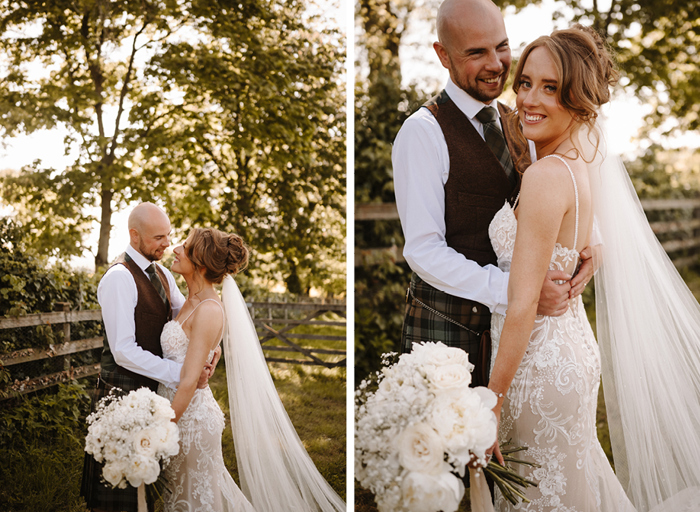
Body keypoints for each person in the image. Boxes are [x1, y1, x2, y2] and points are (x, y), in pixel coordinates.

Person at [486, 25, 700, 511]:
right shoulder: (578, 162)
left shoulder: (544, 177)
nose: (529, 99)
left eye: (551, 88)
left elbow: (522, 305)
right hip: (569, 352)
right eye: (525, 83)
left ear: (579, 102)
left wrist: (490, 401)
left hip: (537, 366)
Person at [391, 0, 594, 387]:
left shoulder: (522, 119)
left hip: (520, 340)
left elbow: (566, 184)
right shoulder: (422, 132)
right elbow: (423, 250)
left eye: (501, 46)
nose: (497, 64)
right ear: (443, 55)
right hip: (448, 332)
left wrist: (592, 246)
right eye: (476, 52)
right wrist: (522, 291)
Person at [159, 227, 346, 512]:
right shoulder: (189, 299)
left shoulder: (209, 308)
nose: (175, 249)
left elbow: (188, 381)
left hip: (191, 420)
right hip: (179, 410)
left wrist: (163, 430)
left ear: (201, 263)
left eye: (184, 247)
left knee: (198, 500)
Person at [81, 202, 218, 512]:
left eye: (168, 235)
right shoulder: (119, 277)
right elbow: (123, 350)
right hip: (122, 394)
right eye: (159, 237)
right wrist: (182, 373)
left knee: (146, 489)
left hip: (152, 394)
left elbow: (193, 318)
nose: (167, 244)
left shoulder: (164, 275)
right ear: (134, 235)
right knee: (119, 491)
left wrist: (211, 353)